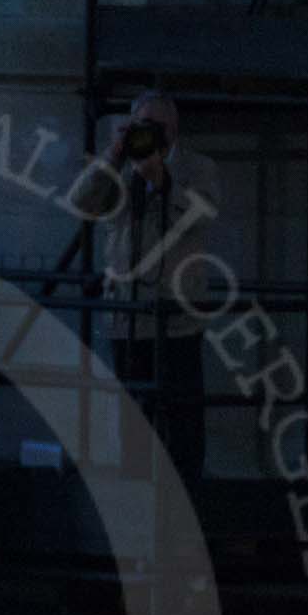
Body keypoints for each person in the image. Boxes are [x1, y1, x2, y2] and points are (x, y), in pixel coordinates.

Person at [76, 92, 224, 493]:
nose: (152, 134)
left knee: (183, 422)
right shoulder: (121, 169)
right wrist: (112, 156)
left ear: (174, 130)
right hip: (127, 318)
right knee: (133, 420)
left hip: (176, 321)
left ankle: (186, 503)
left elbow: (201, 215)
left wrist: (161, 179)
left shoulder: (198, 168)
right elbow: (81, 203)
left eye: (158, 126)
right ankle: (137, 501)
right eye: (144, 125)